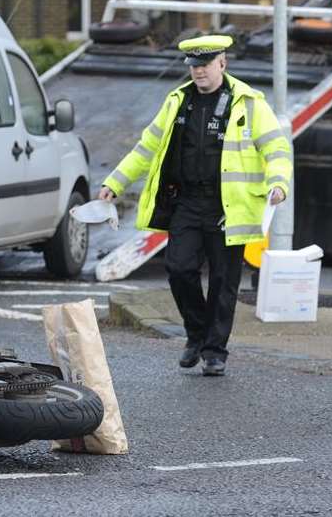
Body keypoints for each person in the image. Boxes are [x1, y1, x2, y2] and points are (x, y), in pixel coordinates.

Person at [98, 34, 292, 376]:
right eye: (193, 66)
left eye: (204, 65)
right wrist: (115, 182)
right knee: (179, 269)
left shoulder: (248, 103)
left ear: (222, 63)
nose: (198, 72)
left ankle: (215, 351)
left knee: (223, 281)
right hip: (187, 202)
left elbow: (276, 149)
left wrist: (278, 183)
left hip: (228, 207)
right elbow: (146, 148)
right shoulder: (178, 101)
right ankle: (197, 333)